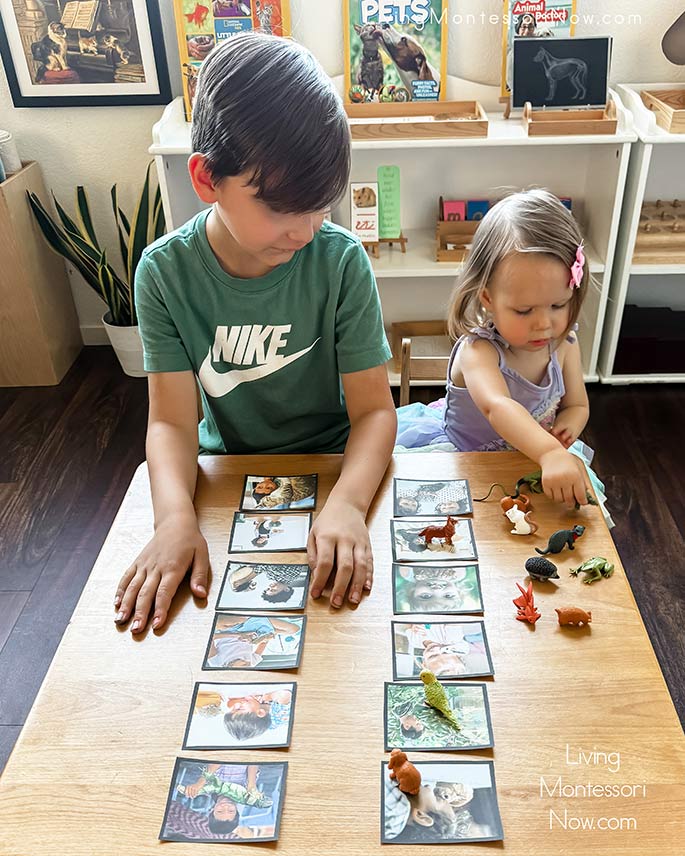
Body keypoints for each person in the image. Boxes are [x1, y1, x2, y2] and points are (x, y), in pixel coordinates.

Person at [114, 33, 397, 633]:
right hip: (227, 478)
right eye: (279, 209)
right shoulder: (164, 274)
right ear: (206, 179)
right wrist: (172, 519)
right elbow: (169, 422)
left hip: (337, 468)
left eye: (320, 206)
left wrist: (346, 503)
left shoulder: (340, 260)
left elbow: (375, 412)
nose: (303, 230)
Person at [395, 189, 610, 520]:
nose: (544, 324)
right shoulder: (478, 351)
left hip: (530, 459)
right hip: (464, 461)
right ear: (487, 298)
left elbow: (578, 405)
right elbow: (498, 407)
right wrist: (549, 450)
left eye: (558, 305)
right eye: (524, 310)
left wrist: (566, 429)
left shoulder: (565, 344)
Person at [222, 689, 292, 740]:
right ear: (260, 713)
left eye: (233, 709)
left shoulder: (257, 719)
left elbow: (229, 703)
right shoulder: (279, 715)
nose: (237, 705)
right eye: (240, 709)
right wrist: (267, 697)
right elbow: (285, 695)